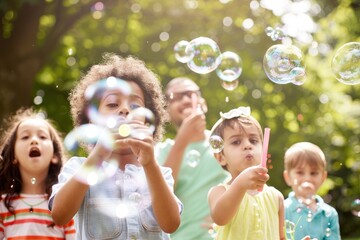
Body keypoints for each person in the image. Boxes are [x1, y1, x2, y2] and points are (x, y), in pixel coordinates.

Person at [49, 53, 182, 240]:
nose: (125, 110)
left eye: (136, 106)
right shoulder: (78, 168)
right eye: (112, 104)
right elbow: (60, 216)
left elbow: (171, 224)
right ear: (92, 120)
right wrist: (98, 154)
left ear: (148, 120)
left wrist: (150, 164)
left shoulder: (159, 173)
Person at [155, 77, 228, 240]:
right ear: (166, 112)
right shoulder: (159, 152)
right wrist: (183, 139)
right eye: (177, 97)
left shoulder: (227, 144)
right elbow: (160, 194)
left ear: (204, 103)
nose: (187, 99)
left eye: (191, 94)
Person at [207, 106, 285, 240]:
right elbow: (220, 218)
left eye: (253, 141)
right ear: (221, 157)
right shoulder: (219, 192)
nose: (247, 145)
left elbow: (281, 237)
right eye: (236, 142)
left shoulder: (276, 197)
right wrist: (240, 184)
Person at [0, 108, 75, 239]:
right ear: (14, 156)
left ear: (54, 156)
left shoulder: (63, 204)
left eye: (42, 137)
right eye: (25, 137)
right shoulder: (3, 205)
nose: (34, 140)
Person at [283, 141, 341, 240]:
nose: (307, 178)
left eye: (313, 173)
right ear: (288, 177)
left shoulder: (330, 214)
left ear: (323, 178)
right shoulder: (282, 209)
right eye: (300, 172)